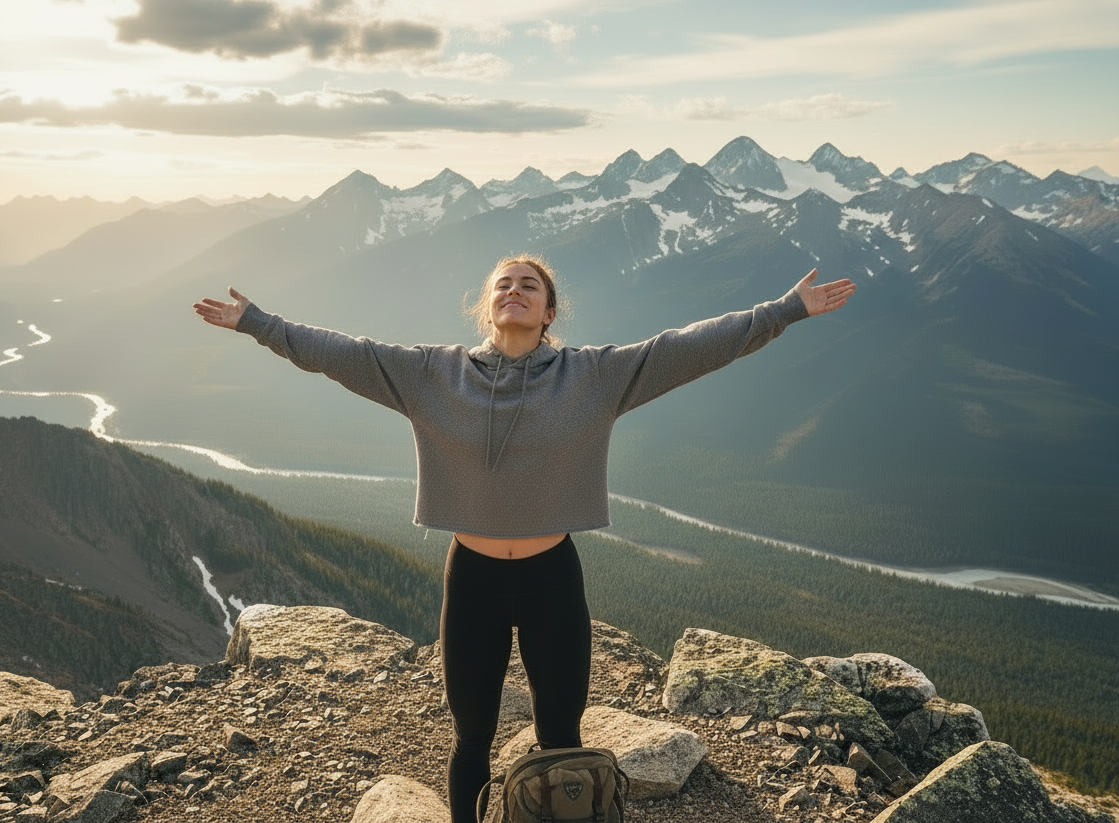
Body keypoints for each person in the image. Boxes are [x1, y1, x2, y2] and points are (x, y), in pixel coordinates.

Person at [193, 255, 855, 823]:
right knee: (472, 736)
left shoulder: (592, 376)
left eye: (528, 286)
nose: (513, 290)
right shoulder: (432, 374)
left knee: (561, 735)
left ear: (548, 312)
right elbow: (339, 353)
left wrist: (786, 309)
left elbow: (690, 348)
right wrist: (258, 323)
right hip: (473, 577)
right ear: (487, 307)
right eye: (502, 284)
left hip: (551, 579)